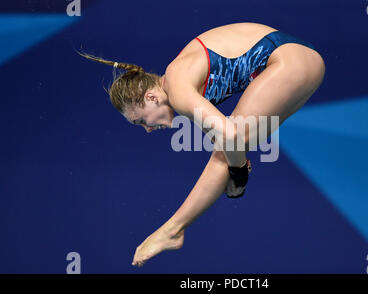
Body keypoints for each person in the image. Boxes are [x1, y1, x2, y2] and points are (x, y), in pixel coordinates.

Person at [78, 22, 325, 267]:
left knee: (225, 152)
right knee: (227, 152)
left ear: (151, 97)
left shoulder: (177, 89)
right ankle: (174, 230)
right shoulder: (179, 82)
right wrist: (236, 165)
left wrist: (238, 174)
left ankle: (172, 230)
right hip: (305, 62)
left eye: (141, 120)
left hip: (287, 62)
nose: (148, 129)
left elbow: (230, 137)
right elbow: (229, 142)